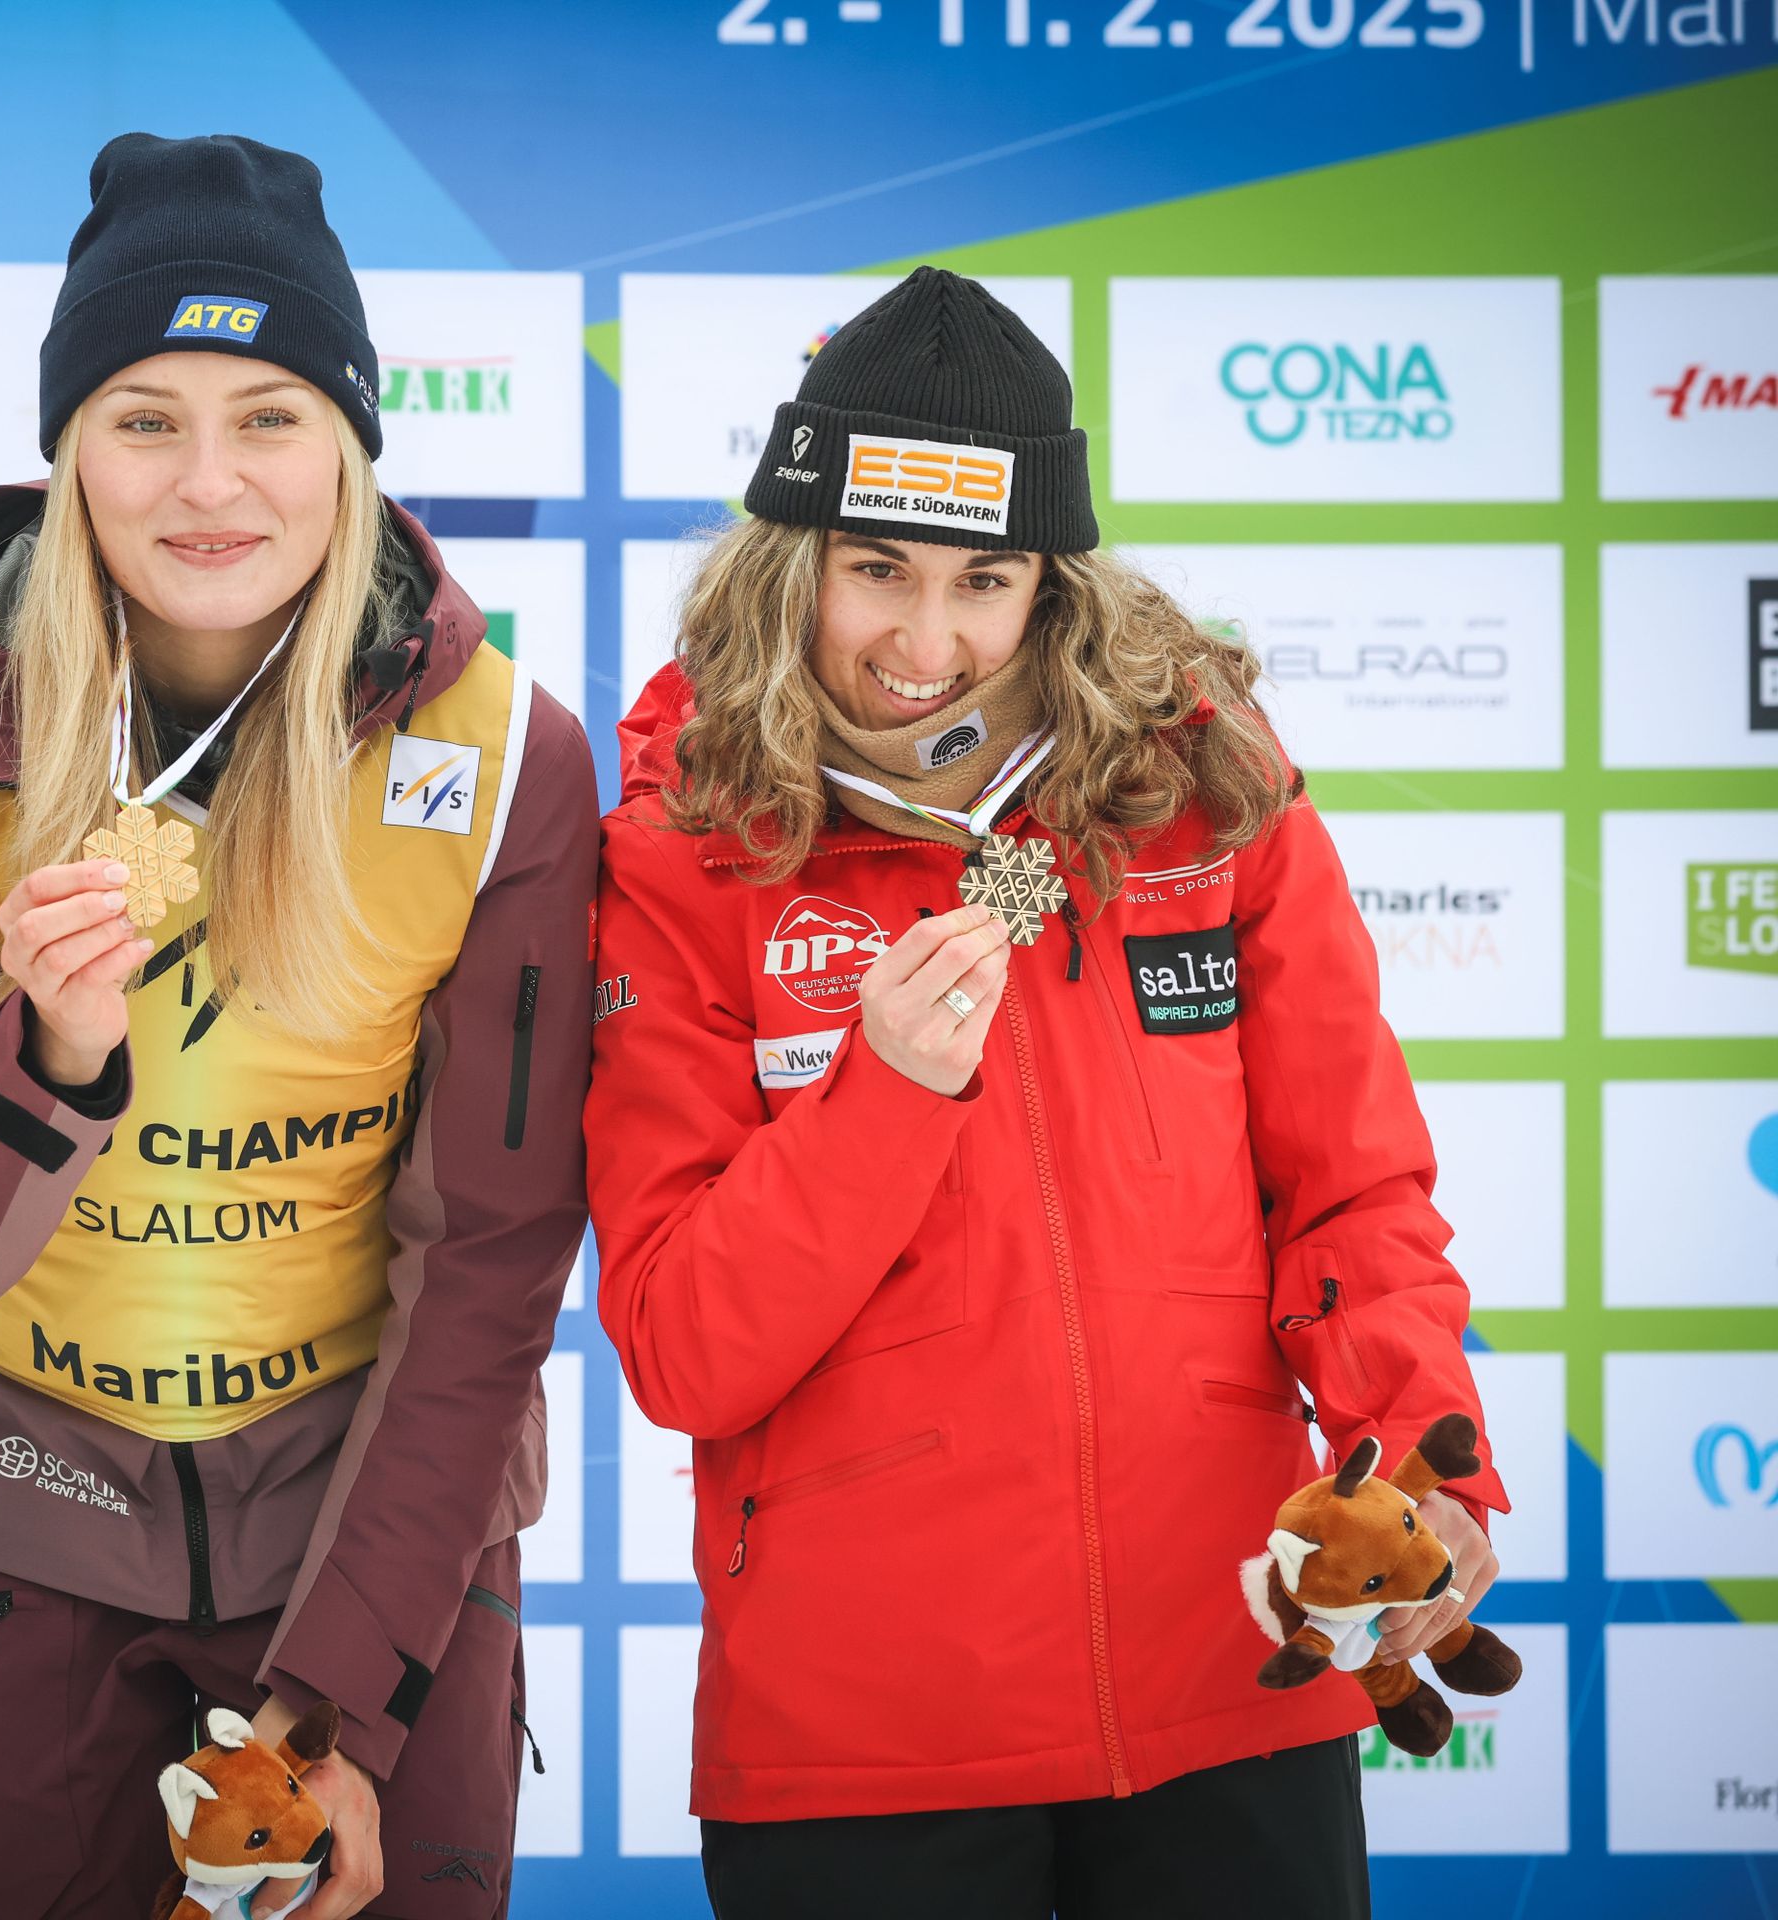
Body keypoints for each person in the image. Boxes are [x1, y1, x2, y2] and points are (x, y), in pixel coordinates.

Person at [585, 267, 1508, 1919]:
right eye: (875, 570)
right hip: (867, 1747)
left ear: (1053, 589)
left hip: (1242, 1681)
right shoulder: (682, 848)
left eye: (983, 579)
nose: (923, 646)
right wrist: (886, 1094)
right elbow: (682, 1345)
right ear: (791, 562)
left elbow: (1351, 1193)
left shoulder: (1205, 799)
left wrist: (1412, 1470)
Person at [0, 133, 594, 1919]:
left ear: (354, 443)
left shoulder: (501, 756)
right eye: (144, 416)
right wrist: (56, 1057)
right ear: (66, 449)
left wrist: (339, 1710)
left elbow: (487, 1265)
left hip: (371, 1539)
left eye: (272, 415)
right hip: (9, 1512)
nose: (208, 483)